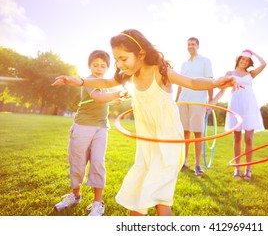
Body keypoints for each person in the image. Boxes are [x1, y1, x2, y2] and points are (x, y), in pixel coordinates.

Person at [52, 29, 238, 216]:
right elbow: (105, 83)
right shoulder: (129, 76)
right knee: (138, 200)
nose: (119, 64)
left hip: (168, 144)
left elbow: (191, 82)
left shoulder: (161, 72)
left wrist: (216, 82)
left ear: (141, 54)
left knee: (158, 201)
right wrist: (76, 81)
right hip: (147, 147)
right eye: (117, 60)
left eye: (123, 59)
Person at [54, 50, 128, 216]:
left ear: (108, 68)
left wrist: (115, 100)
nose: (99, 68)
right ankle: (75, 195)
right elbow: (98, 98)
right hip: (82, 127)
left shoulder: (106, 83)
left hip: (101, 128)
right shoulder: (88, 81)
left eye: (103, 66)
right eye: (95, 65)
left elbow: (105, 99)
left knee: (97, 163)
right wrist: (120, 93)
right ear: (89, 66)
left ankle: (97, 203)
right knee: (78, 163)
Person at [210, 49, 266, 180]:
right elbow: (221, 91)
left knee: (249, 139)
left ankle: (248, 169)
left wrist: (253, 52)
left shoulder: (251, 74)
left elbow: (264, 64)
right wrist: (212, 102)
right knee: (237, 138)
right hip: (236, 106)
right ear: (238, 59)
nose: (244, 62)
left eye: (247, 60)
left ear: (249, 63)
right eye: (242, 59)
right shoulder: (230, 73)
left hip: (249, 107)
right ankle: (237, 168)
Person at [175, 37, 213, 176]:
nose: (190, 46)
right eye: (189, 44)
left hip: (198, 100)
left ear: (198, 46)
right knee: (184, 132)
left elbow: (210, 81)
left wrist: (211, 100)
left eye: (193, 44)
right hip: (183, 101)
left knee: (197, 132)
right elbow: (180, 83)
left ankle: (198, 164)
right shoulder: (184, 64)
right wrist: (176, 100)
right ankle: (184, 161)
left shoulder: (205, 61)